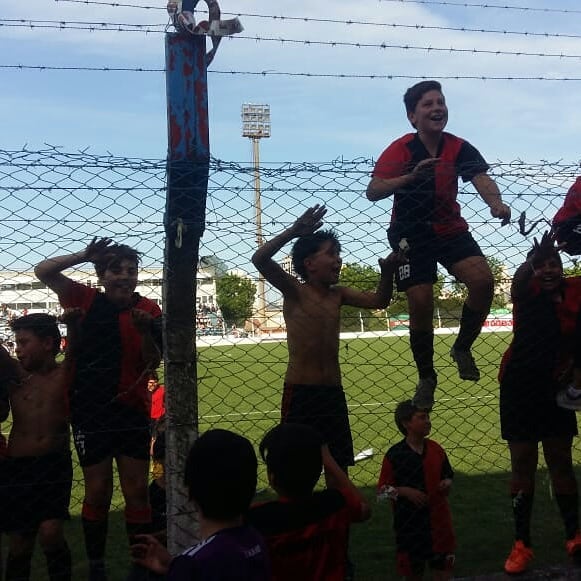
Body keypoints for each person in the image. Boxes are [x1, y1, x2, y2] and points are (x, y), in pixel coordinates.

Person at [366, 80, 511, 409]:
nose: (437, 108)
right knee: (420, 300)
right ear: (412, 116)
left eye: (440, 102)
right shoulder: (402, 149)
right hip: (410, 232)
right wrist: (410, 177)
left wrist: (496, 204)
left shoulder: (458, 147)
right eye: (428, 104)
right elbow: (373, 190)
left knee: (483, 281)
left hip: (449, 229)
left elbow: (481, 177)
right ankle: (427, 376)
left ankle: (462, 347)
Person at [34, 238, 162, 581]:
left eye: (131, 270)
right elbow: (43, 271)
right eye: (116, 270)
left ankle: (140, 565)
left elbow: (153, 362)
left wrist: (145, 332)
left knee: (137, 491)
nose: (125, 276)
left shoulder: (148, 310)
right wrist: (83, 255)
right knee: (98, 490)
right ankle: (96, 566)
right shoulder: (84, 298)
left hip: (132, 409)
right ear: (102, 276)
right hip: (90, 409)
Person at [251, 204, 400, 476]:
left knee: (338, 465)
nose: (338, 260)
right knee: (294, 467)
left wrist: (388, 272)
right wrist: (294, 231)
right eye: (331, 254)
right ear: (309, 264)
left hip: (332, 393)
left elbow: (380, 300)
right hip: (301, 392)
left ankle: (336, 503)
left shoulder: (338, 294)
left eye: (338, 254)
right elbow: (260, 259)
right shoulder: (295, 291)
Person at [499, 233, 581, 574]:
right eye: (541, 265)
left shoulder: (574, 291)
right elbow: (519, 281)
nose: (548, 270)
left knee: (561, 462)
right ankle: (522, 543)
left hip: (556, 389)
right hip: (519, 387)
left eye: (553, 264)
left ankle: (574, 535)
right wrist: (530, 261)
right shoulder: (526, 291)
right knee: (522, 465)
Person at [130, 429, 270, 580]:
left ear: (189, 491)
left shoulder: (193, 564)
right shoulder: (256, 540)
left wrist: (179, 570)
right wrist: (172, 567)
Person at [247, 423, 371, 580]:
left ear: (272, 477)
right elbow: (364, 509)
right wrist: (329, 460)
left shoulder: (258, 518)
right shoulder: (335, 503)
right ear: (319, 470)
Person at [0, 314, 73, 581]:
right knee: (20, 542)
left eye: (23, 343)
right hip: (18, 467)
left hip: (54, 465)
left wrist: (74, 324)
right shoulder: (16, 376)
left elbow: (76, 349)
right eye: (15, 343)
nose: (18, 349)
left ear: (47, 343)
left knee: (51, 533)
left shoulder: (63, 374)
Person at [377, 400, 455, 580]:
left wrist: (447, 482)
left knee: (443, 573)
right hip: (410, 529)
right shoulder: (395, 455)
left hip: (439, 526)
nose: (428, 421)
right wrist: (404, 491)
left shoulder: (436, 449)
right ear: (406, 423)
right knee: (413, 573)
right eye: (421, 417)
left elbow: (448, 474)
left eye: (428, 417)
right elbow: (381, 492)